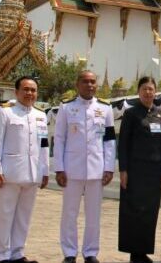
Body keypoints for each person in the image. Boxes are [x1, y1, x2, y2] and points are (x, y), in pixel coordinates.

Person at [54, 70, 116, 263]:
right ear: (77, 84)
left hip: (96, 169)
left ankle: (90, 252)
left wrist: (109, 167)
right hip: (72, 169)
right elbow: (60, 139)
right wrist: (59, 168)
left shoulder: (105, 109)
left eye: (92, 82)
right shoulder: (66, 108)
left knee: (93, 214)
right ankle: (70, 252)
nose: (89, 85)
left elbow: (110, 140)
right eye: (85, 81)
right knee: (69, 213)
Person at [0, 76, 49, 263]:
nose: (30, 93)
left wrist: (45, 171)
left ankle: (17, 253)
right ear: (16, 92)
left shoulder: (41, 115)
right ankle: (2, 255)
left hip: (32, 173)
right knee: (5, 215)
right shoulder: (4, 112)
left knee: (24, 217)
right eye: (26, 89)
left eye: (33, 90)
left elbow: (44, 145)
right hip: (10, 173)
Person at [118, 76, 161, 263]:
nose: (148, 92)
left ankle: (144, 251)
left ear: (155, 91)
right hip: (134, 171)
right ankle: (134, 252)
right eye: (144, 89)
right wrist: (123, 170)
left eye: (151, 89)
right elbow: (122, 143)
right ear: (139, 92)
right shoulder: (131, 114)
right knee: (132, 211)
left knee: (149, 212)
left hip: (154, 171)